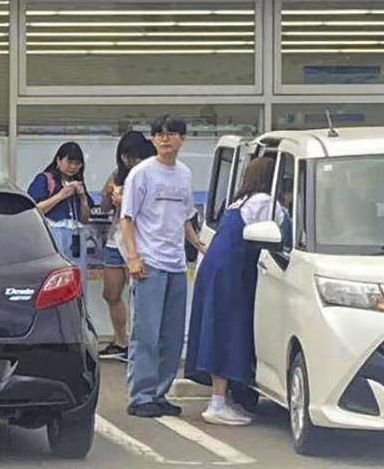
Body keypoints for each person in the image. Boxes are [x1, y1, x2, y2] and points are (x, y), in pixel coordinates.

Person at [186, 154, 283, 425]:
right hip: (230, 272)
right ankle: (217, 402)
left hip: (216, 268)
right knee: (227, 330)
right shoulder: (265, 202)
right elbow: (282, 229)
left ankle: (223, 397)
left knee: (219, 326)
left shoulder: (239, 201)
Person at [118, 115, 204, 419]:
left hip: (176, 264)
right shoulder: (142, 174)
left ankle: (160, 392)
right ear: (153, 139)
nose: (165, 139)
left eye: (172, 134)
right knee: (146, 333)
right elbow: (127, 218)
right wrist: (133, 257)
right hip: (149, 263)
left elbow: (185, 217)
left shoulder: (183, 174)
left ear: (183, 139)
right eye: (160, 134)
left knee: (171, 333)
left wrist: (198, 245)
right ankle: (141, 395)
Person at [81, 132, 149, 361]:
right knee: (111, 293)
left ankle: (140, 344)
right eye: (124, 156)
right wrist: (111, 194)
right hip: (115, 238)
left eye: (132, 156)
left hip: (139, 241)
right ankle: (120, 341)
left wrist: (126, 200)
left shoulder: (149, 173)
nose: (129, 161)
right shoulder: (118, 174)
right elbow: (104, 205)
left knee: (139, 296)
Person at [27, 143, 92, 263]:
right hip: (53, 234)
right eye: (69, 162)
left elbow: (84, 219)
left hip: (76, 236)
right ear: (58, 160)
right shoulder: (45, 180)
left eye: (77, 164)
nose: (73, 167)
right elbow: (34, 210)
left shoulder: (78, 183)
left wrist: (83, 198)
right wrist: (61, 195)